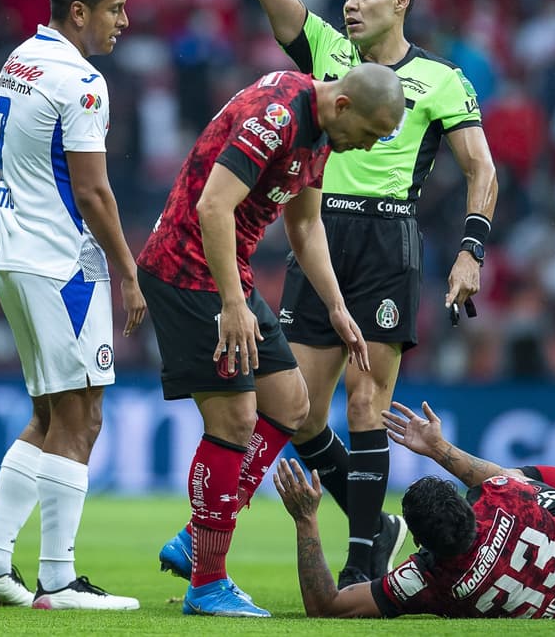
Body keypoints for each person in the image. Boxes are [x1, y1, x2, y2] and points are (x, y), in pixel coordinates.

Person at [183, 0, 500, 587]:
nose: (349, 3)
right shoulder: (325, 50)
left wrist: (471, 250)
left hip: (388, 237)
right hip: (317, 232)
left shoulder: (441, 79)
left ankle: (361, 557)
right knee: (295, 408)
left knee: (368, 399)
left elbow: (481, 167)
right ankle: (365, 527)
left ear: (402, 2)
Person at [141, 63, 406, 617]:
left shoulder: (321, 133)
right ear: (344, 106)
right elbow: (212, 206)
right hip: (189, 272)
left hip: (227, 272)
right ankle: (207, 583)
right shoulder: (278, 117)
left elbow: (305, 226)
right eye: (369, 134)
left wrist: (337, 307)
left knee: (291, 401)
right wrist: (233, 305)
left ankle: (199, 535)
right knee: (234, 420)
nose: (365, 147)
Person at [0, 0, 146, 612]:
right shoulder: (82, 80)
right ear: (79, 11)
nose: (125, 20)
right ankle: (59, 581)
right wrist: (128, 273)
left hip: (15, 256)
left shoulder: (20, 60)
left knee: (46, 415)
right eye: (116, 8)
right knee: (82, 415)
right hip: (64, 266)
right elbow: (93, 193)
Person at [273, 398, 555, 618]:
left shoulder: (425, 579)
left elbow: (327, 607)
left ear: (423, 546)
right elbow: (487, 475)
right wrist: (438, 448)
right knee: (519, 475)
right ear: (468, 506)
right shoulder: (500, 500)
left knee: (516, 476)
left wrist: (306, 519)